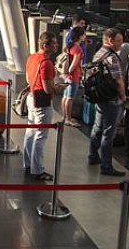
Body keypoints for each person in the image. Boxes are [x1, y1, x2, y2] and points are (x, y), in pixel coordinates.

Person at [87, 28, 127, 176]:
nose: (121, 44)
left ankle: (92, 155)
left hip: (100, 97)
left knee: (97, 127)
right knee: (109, 133)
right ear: (110, 41)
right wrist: (123, 97)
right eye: (119, 41)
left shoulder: (98, 53)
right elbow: (119, 81)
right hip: (111, 99)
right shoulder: (112, 57)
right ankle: (106, 166)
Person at [24, 31, 59, 181]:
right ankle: (37, 170)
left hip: (31, 96)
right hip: (42, 102)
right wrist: (58, 88)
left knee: (30, 132)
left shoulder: (32, 57)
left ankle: (28, 164)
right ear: (45, 45)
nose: (57, 45)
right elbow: (47, 88)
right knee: (40, 135)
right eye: (54, 43)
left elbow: (28, 78)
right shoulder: (47, 63)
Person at [60, 26, 85, 128]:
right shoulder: (78, 49)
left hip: (66, 76)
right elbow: (75, 64)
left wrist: (65, 74)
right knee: (70, 98)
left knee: (65, 96)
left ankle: (64, 116)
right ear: (80, 36)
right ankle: (68, 119)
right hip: (73, 76)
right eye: (83, 34)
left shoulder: (69, 46)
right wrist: (71, 73)